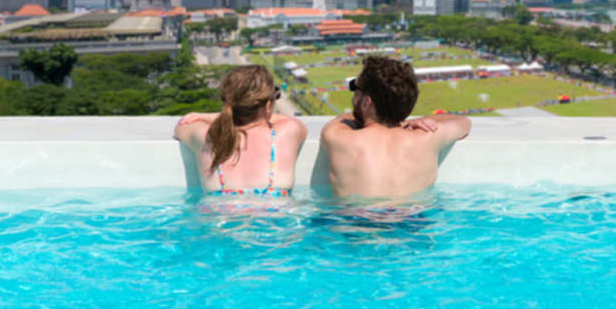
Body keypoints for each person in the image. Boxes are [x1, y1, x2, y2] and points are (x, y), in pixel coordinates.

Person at [320, 56, 471, 198]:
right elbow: (463, 122)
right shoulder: (428, 137)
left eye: (355, 89)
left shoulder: (337, 136)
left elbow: (344, 117)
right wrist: (407, 122)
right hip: (413, 221)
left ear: (366, 102)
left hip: (358, 222)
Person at [174, 65, 307, 195]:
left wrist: (214, 116)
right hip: (275, 215)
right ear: (268, 104)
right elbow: (282, 119)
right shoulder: (289, 130)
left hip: (217, 215)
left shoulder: (203, 135)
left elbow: (181, 125)